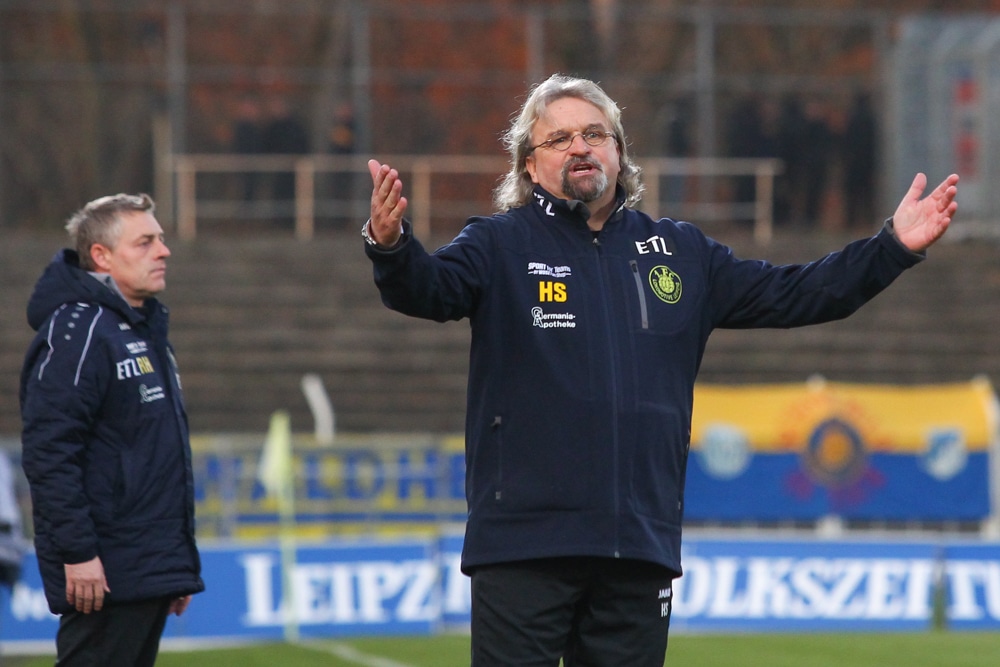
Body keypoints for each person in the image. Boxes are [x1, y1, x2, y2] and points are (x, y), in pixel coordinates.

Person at [362, 74, 958, 666]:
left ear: (619, 153)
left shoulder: (681, 253)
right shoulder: (497, 244)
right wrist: (391, 247)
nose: (580, 147)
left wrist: (892, 248)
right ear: (528, 165)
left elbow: (798, 293)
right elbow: (429, 290)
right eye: (560, 138)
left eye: (596, 133)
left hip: (636, 545)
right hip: (523, 544)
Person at [20, 193, 204, 666]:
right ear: (101, 256)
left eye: (161, 239)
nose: (163, 251)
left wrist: (171, 564)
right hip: (102, 572)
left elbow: (151, 456)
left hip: (142, 565)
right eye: (145, 242)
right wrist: (78, 553)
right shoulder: (78, 331)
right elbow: (49, 453)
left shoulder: (142, 327)